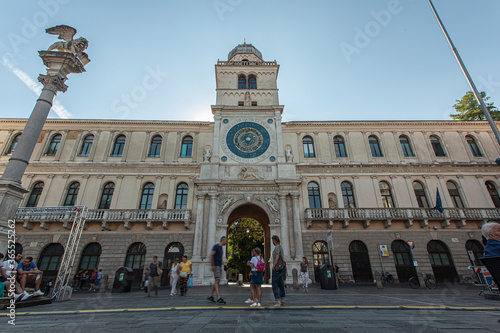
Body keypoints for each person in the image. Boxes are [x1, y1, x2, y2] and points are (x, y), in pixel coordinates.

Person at [207, 236, 228, 304]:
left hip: (219, 265)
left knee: (217, 281)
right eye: (226, 241)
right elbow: (211, 255)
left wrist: (223, 264)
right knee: (217, 280)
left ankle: (210, 295)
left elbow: (218, 258)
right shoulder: (216, 246)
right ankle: (218, 297)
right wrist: (212, 265)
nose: (226, 242)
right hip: (216, 266)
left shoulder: (221, 248)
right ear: (223, 240)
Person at [271, 235, 286, 307]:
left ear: (274, 240)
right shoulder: (281, 247)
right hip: (281, 268)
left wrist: (273, 266)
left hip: (277, 268)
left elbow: (277, 257)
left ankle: (278, 301)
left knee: (275, 284)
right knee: (281, 284)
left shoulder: (277, 247)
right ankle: (282, 299)